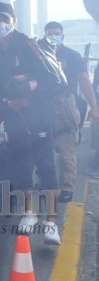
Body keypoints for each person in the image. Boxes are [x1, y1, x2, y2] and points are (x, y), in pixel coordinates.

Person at [0, 2, 62, 245]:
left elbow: (52, 82)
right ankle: (29, 212)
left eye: (5, 19)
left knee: (46, 167)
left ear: (14, 20)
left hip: (38, 118)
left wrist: (27, 97)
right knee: (22, 169)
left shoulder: (27, 45)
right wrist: (7, 102)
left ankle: (51, 222)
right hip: (14, 121)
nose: (1, 24)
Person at [39, 21, 99, 203]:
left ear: (63, 36)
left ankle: (67, 187)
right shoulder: (36, 53)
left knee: (66, 150)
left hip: (64, 105)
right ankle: (45, 182)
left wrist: (94, 108)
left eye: (56, 33)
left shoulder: (72, 56)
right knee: (41, 148)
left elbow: (84, 82)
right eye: (50, 34)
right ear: (44, 35)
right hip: (41, 107)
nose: (53, 37)